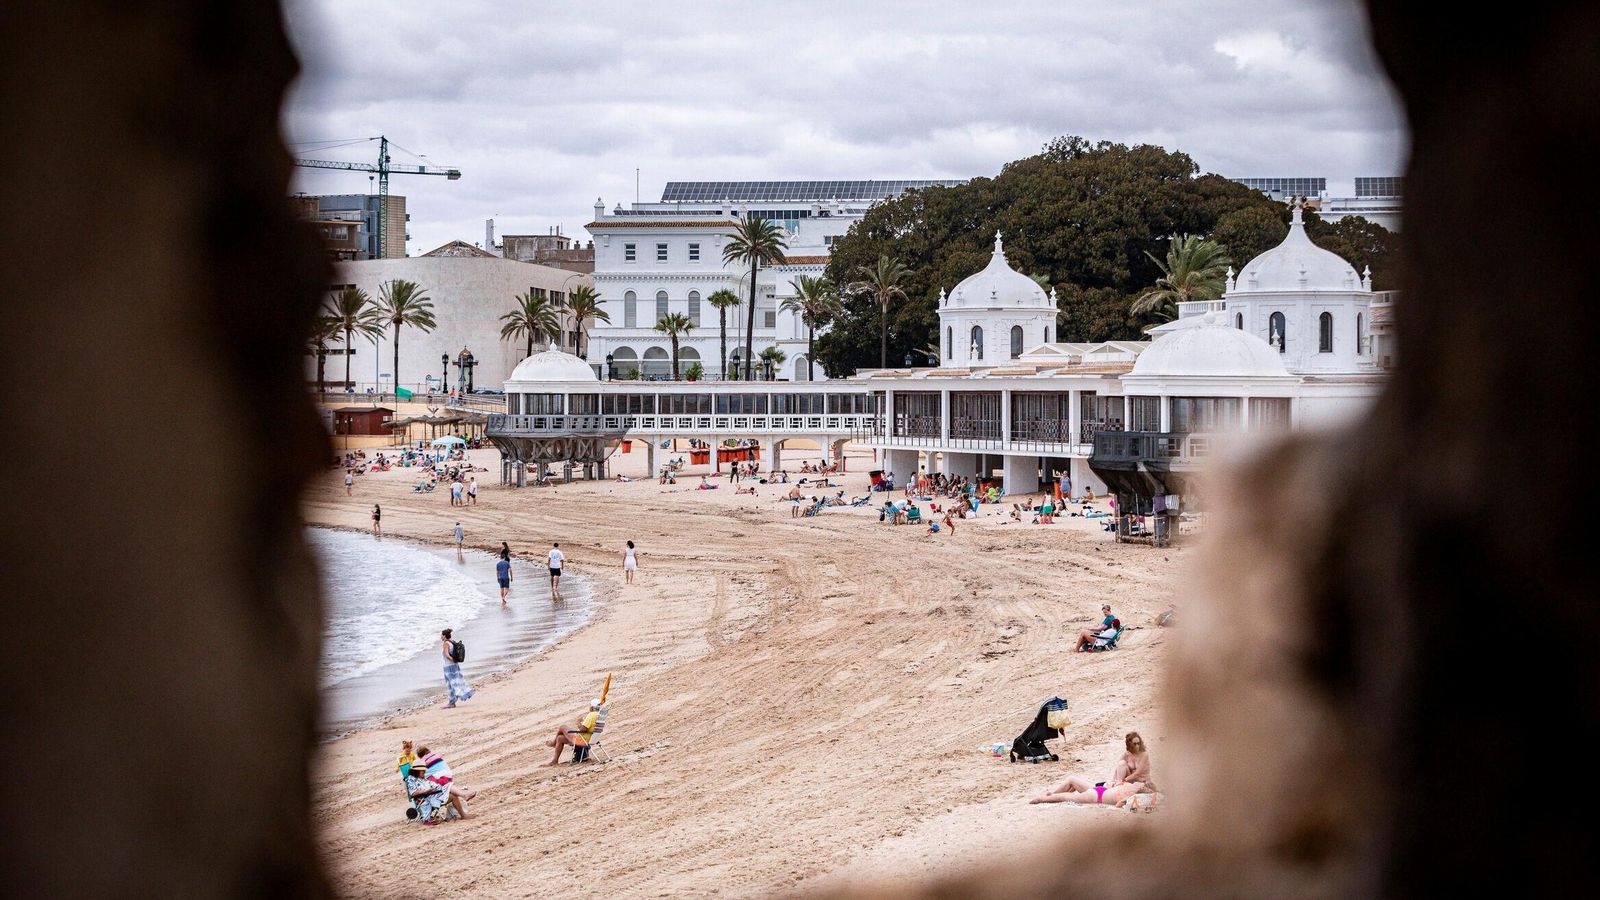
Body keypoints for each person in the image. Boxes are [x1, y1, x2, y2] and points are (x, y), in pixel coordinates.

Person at [1028, 774, 1153, 806]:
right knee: (1065, 795)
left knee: (1070, 783)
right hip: (1098, 795)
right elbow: (1120, 804)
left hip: (1099, 791)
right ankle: (1046, 797)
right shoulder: (1133, 794)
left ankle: (1048, 796)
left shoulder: (1133, 786)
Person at [546, 699, 602, 766]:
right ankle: (554, 761)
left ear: (592, 707)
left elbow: (582, 730)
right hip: (592, 739)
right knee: (560, 738)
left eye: (590, 705)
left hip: (582, 740)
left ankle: (553, 743)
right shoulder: (600, 715)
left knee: (562, 727)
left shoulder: (591, 715)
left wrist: (578, 722)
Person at [440, 628, 474, 707]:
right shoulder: (452, 642)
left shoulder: (445, 643)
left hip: (449, 666)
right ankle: (458, 697)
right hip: (455, 666)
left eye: (441, 635)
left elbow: (447, 655)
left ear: (444, 636)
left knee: (451, 684)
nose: (440, 637)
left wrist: (452, 660)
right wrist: (455, 661)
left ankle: (452, 702)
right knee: (458, 681)